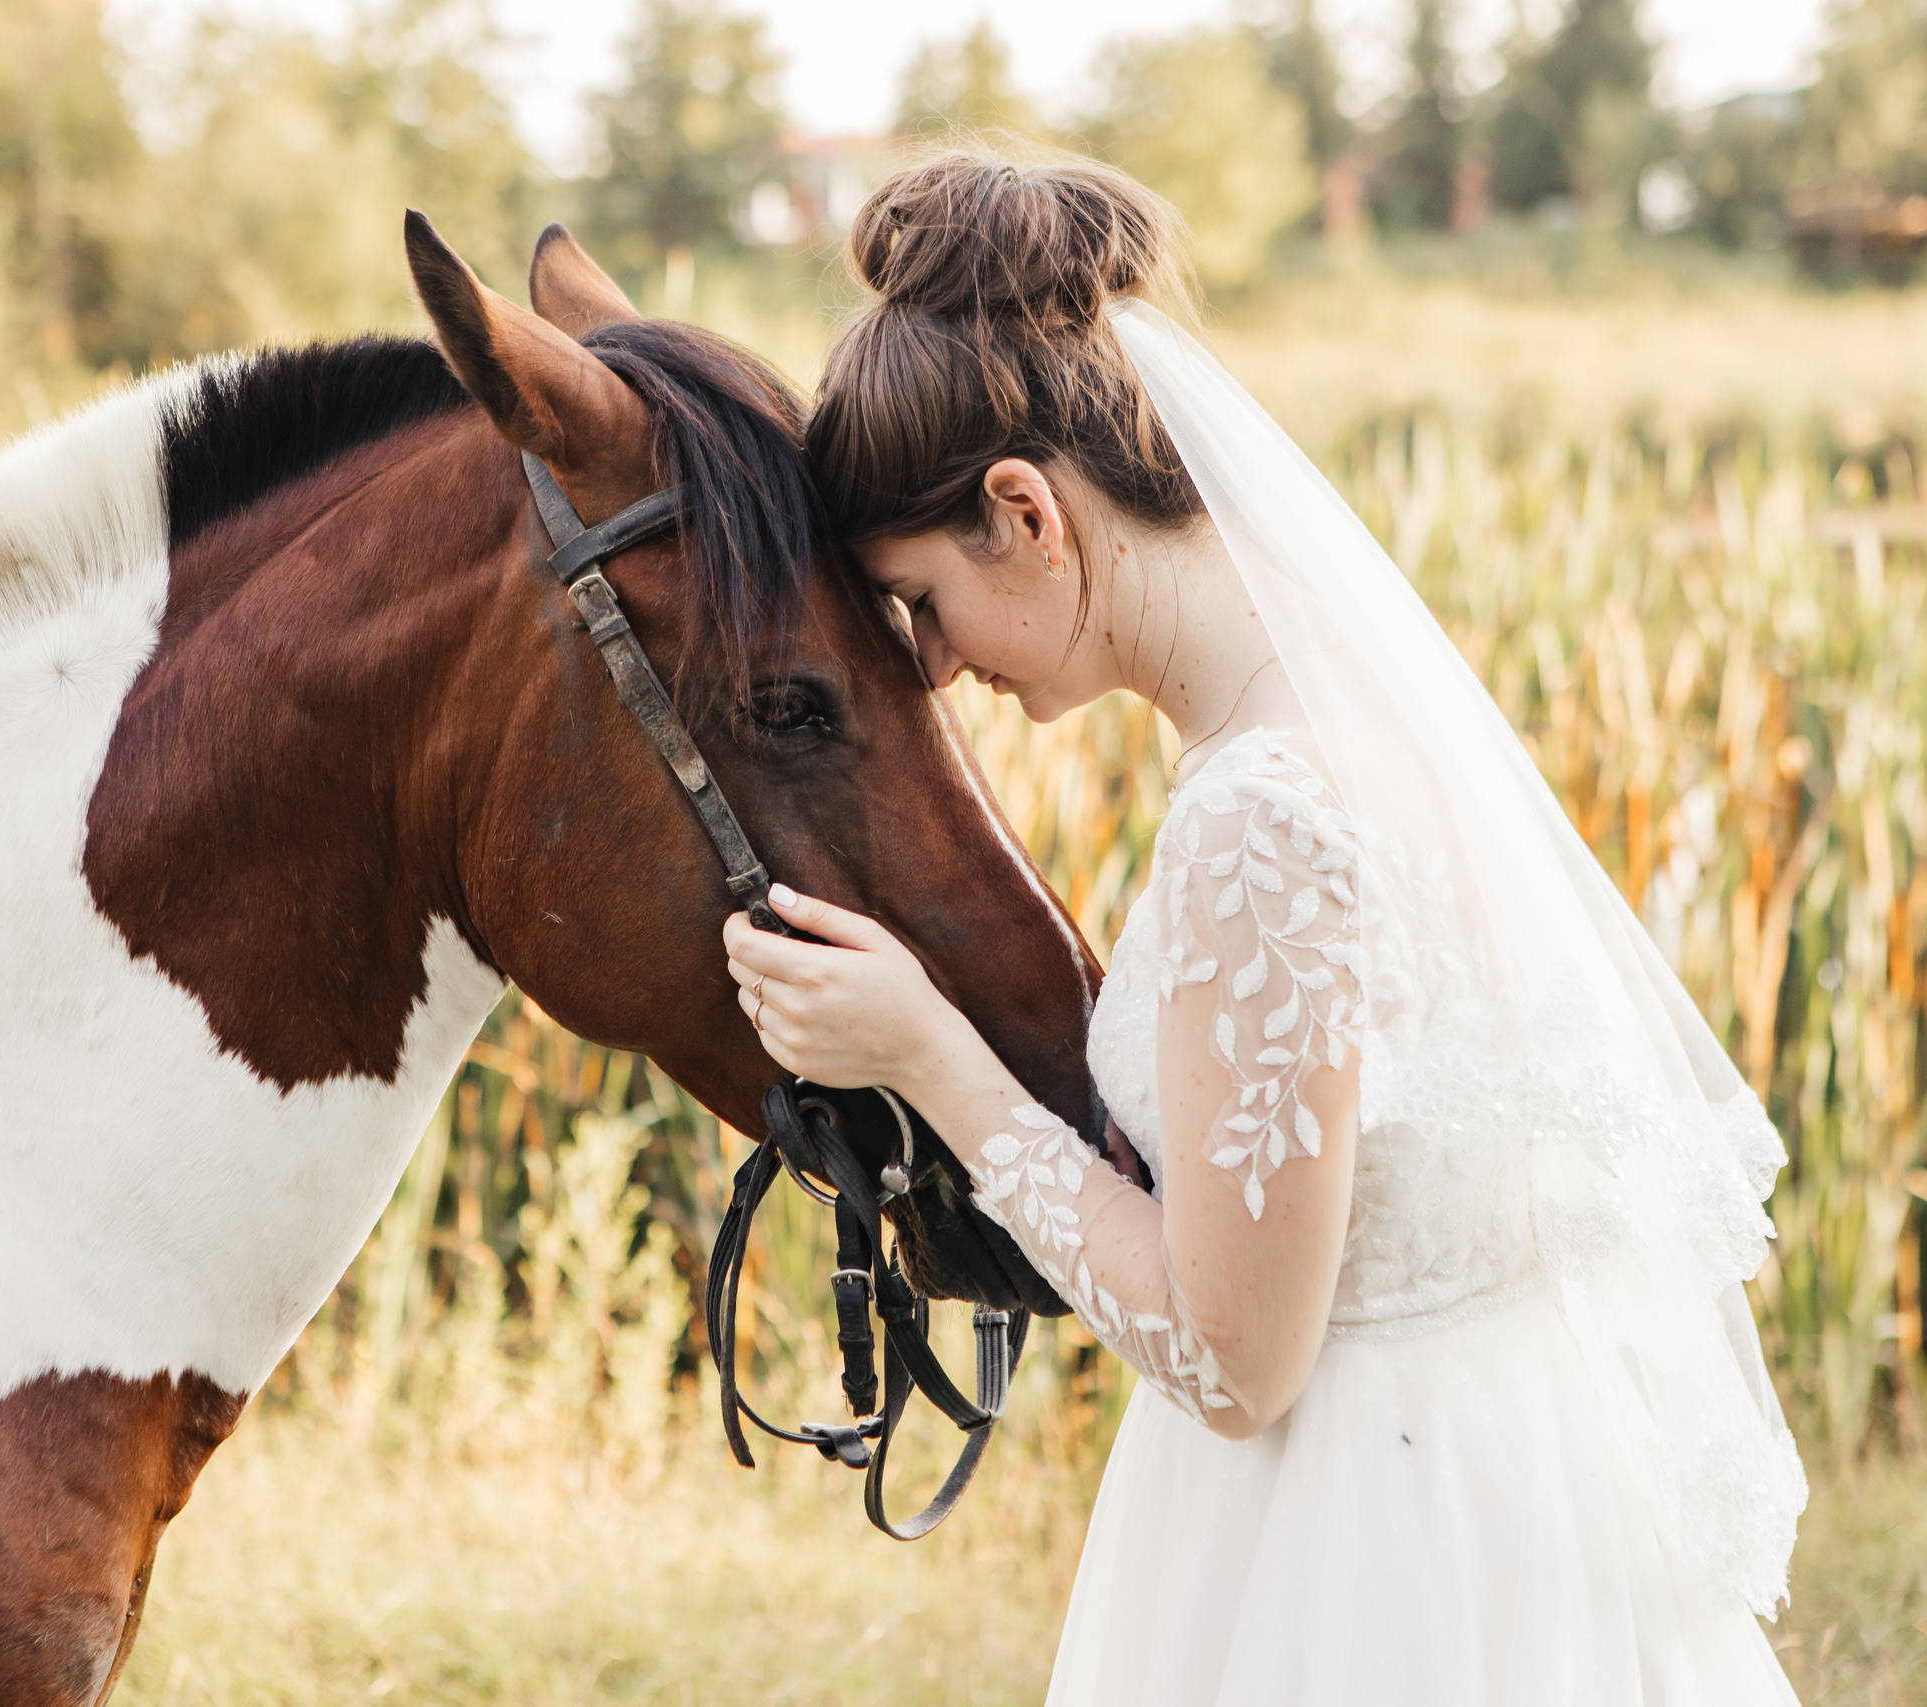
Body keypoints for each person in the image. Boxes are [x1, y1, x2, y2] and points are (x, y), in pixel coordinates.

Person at [722, 148, 1807, 1705]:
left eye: (921, 603)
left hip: (1373, 1550)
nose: (937, 669)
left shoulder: (1258, 822)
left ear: (1025, 512)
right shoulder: (1360, 719)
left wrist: (930, 1062)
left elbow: (1235, 1361)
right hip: (1513, 1472)